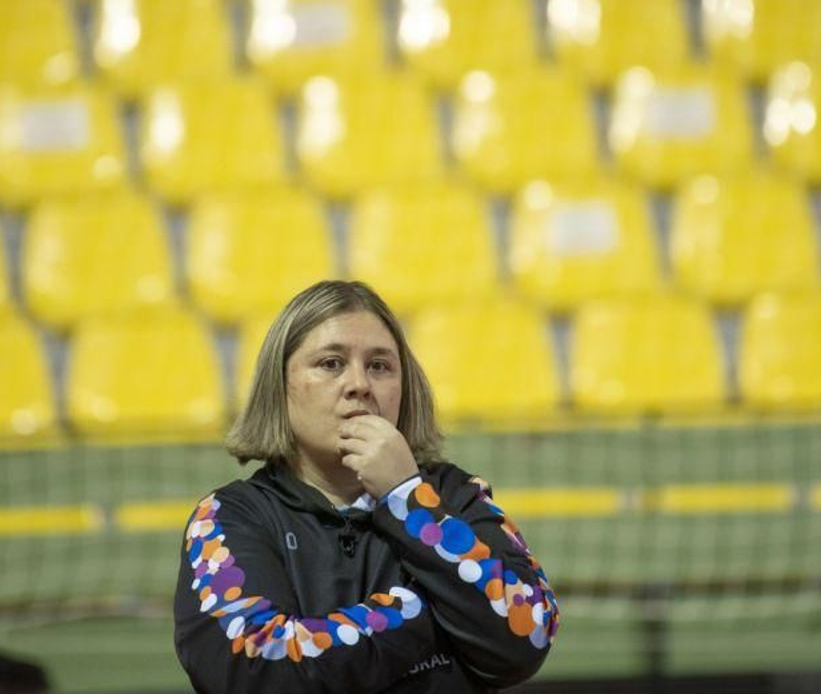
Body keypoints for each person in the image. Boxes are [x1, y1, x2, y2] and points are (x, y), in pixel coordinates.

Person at [174, 280, 559, 692]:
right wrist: (435, 608)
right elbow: (253, 669)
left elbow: (528, 630)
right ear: (279, 385)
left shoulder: (457, 494)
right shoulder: (228, 517)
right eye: (331, 364)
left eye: (379, 366)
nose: (359, 384)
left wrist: (407, 498)